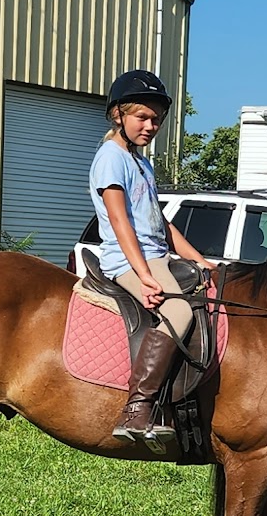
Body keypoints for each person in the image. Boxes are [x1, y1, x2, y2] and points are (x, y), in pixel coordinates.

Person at [89, 68, 216, 449]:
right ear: (119, 115)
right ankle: (138, 408)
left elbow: (160, 221)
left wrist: (201, 260)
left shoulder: (140, 161)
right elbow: (119, 220)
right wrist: (144, 275)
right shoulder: (111, 158)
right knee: (178, 313)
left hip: (154, 254)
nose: (150, 125)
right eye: (142, 117)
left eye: (156, 119)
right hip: (126, 260)